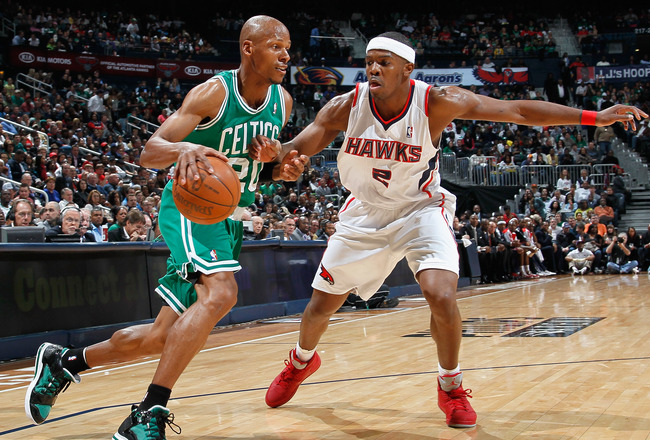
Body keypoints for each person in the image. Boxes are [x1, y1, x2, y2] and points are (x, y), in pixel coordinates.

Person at [252, 32, 644, 429]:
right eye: (370, 61)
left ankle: (451, 385)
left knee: (440, 294)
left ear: (408, 69)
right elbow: (299, 147)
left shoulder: (438, 102)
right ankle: (302, 360)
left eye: (384, 62)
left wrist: (595, 117)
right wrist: (278, 156)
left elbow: (519, 112)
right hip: (364, 214)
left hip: (420, 208)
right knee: (321, 307)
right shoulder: (345, 106)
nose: (373, 68)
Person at [25, 16, 308, 440]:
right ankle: (149, 411)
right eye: (276, 46)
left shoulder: (281, 102)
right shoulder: (214, 92)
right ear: (249, 48)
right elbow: (149, 151)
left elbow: (251, 174)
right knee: (223, 293)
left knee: (161, 337)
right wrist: (186, 146)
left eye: (288, 47)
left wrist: (279, 168)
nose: (286, 55)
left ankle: (65, 362)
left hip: (227, 220)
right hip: (190, 210)